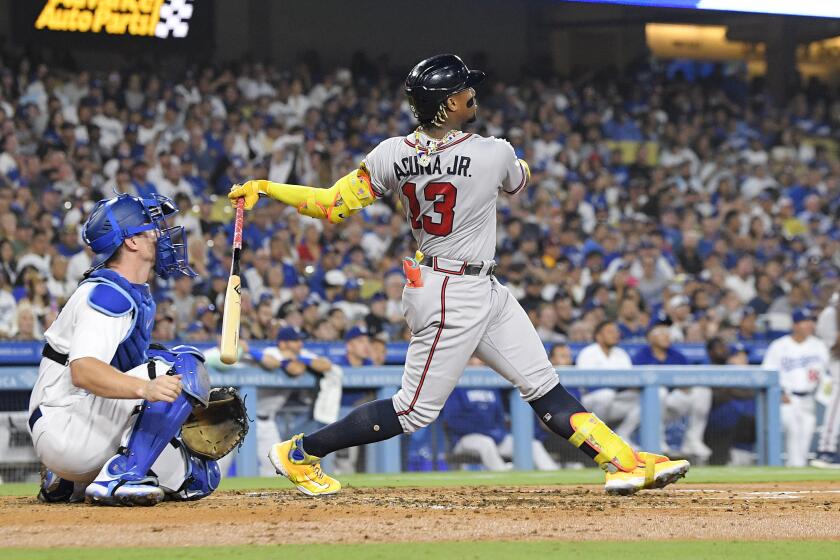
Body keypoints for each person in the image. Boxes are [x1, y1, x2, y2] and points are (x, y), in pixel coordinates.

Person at [229, 53, 688, 496]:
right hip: (451, 293)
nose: (473, 94)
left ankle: (622, 462)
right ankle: (301, 452)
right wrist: (518, 165)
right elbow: (518, 178)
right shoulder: (493, 152)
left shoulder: (391, 154)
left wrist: (266, 188)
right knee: (412, 411)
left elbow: (329, 205)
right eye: (466, 89)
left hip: (473, 285)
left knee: (541, 382)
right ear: (449, 103)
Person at [27, 193, 220, 506]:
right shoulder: (108, 294)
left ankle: (67, 482)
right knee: (185, 366)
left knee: (199, 478)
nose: (161, 235)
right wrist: (146, 388)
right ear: (131, 242)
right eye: (152, 229)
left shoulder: (129, 292)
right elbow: (84, 371)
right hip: (66, 423)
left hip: (79, 422)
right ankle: (122, 475)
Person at [248, 326, 343, 476]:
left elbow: (326, 364)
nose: (299, 344)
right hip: (243, 417)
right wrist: (286, 362)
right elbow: (277, 364)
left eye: (300, 340)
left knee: (274, 467)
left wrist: (299, 359)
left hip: (266, 421)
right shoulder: (272, 352)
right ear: (283, 343)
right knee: (222, 462)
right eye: (294, 341)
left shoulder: (299, 354)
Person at [634, 320, 713, 461]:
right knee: (659, 391)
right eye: (661, 334)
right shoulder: (641, 356)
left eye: (667, 334)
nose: (666, 337)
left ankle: (693, 440)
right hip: (647, 408)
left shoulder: (677, 355)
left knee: (702, 391)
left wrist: (683, 387)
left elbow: (688, 381)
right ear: (651, 338)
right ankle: (657, 441)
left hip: (675, 400)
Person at [762, 307, 830, 467]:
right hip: (787, 398)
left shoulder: (818, 345)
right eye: (804, 322)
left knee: (806, 435)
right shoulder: (779, 346)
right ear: (795, 325)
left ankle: (797, 472)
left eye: (809, 322)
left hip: (810, 398)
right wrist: (778, 392)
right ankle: (795, 468)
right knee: (793, 431)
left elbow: (827, 372)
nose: (808, 325)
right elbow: (767, 373)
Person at [442, 387, 559, 471]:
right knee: (485, 443)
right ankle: (504, 478)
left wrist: (497, 432)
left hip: (495, 438)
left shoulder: (492, 388)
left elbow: (499, 417)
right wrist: (486, 431)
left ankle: (554, 477)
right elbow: (452, 421)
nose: (477, 362)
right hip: (464, 440)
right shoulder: (457, 388)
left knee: (531, 444)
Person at [575, 321, 640, 442]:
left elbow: (630, 382)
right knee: (606, 395)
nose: (615, 334)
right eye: (610, 332)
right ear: (599, 336)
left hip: (614, 400)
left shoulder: (621, 354)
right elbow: (586, 384)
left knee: (645, 399)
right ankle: (597, 437)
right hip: (589, 402)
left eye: (616, 332)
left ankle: (623, 435)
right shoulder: (588, 353)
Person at [812, 294, 840, 467]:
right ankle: (826, 450)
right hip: (831, 363)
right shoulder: (830, 313)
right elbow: (834, 347)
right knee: (837, 399)